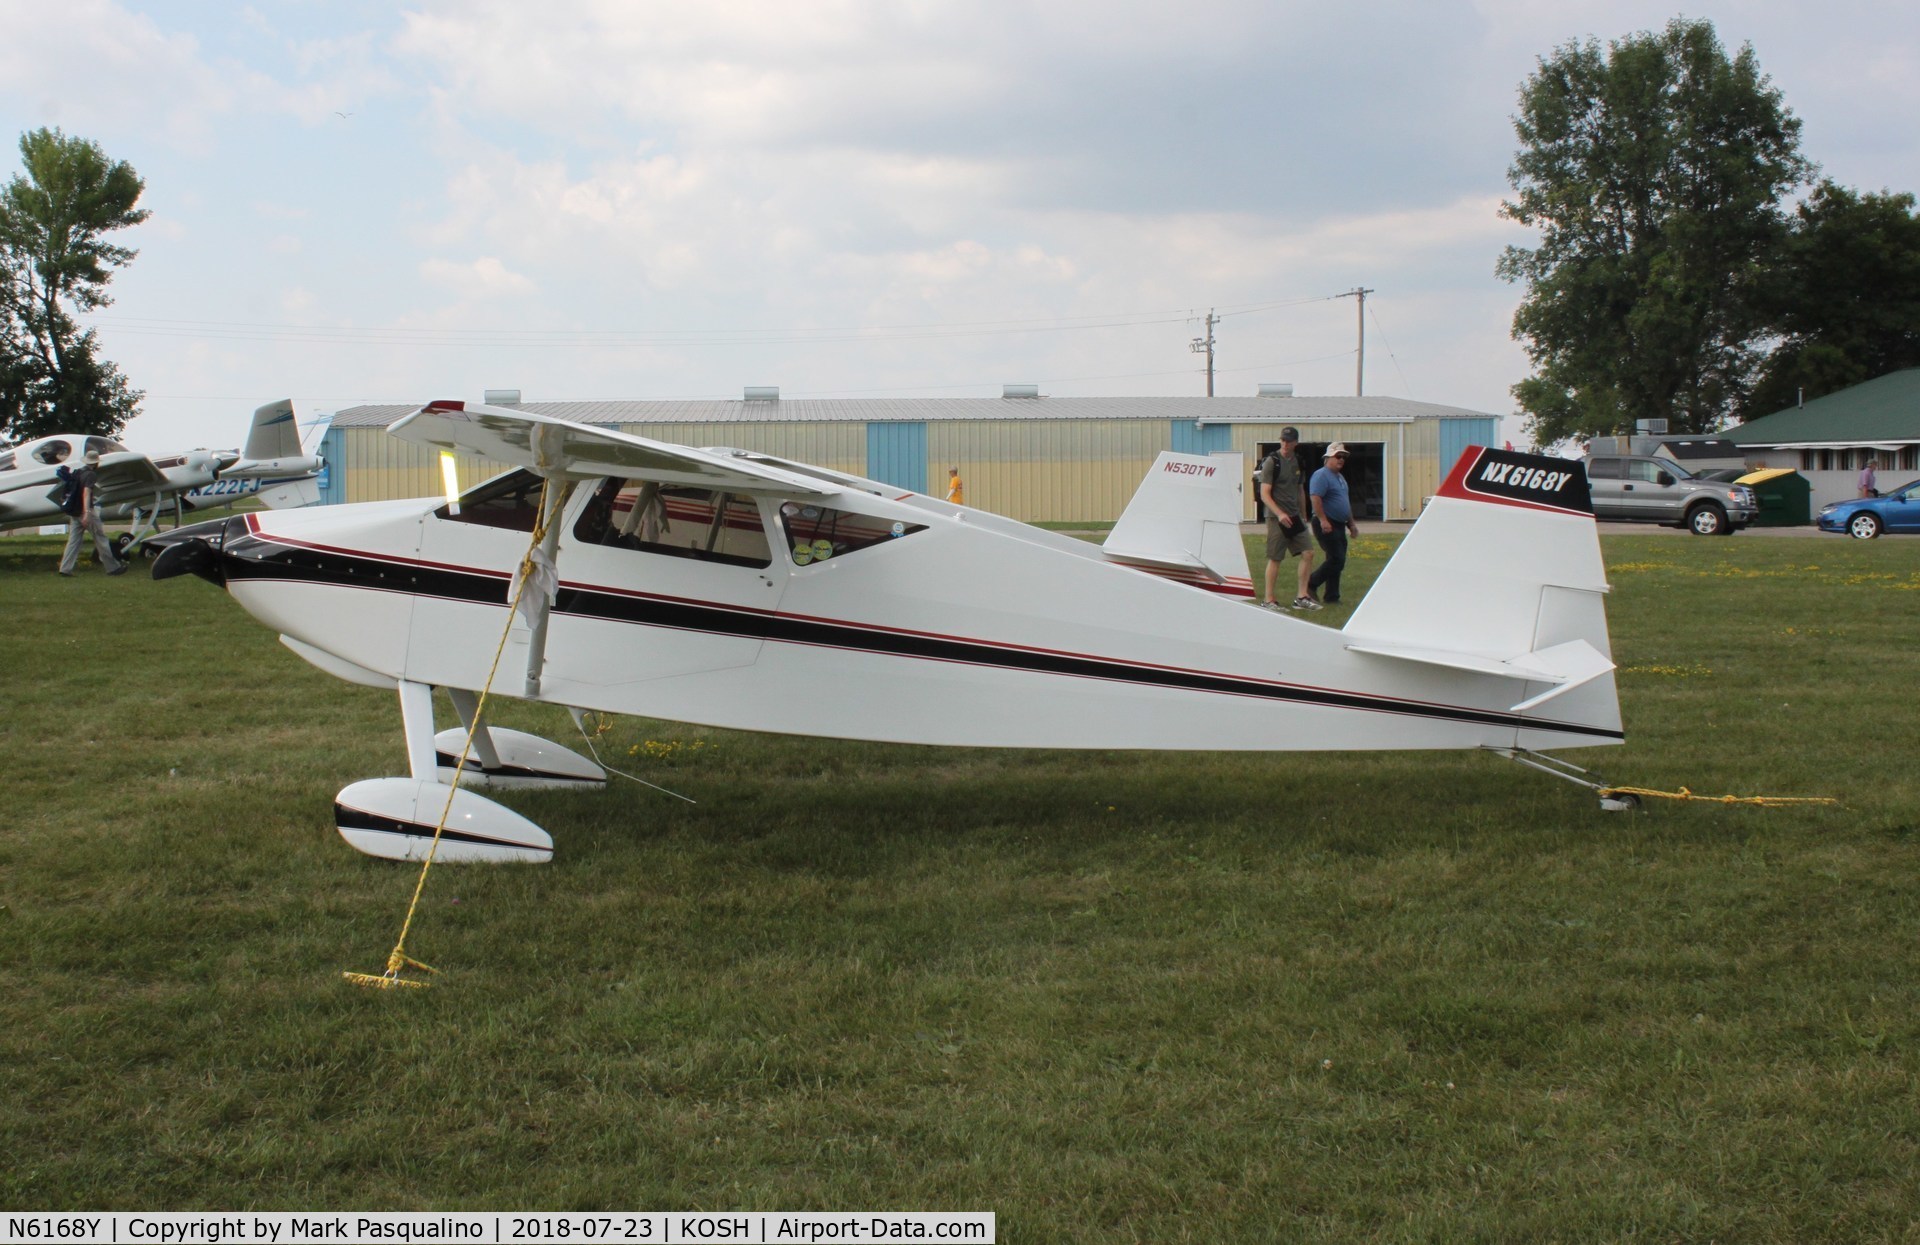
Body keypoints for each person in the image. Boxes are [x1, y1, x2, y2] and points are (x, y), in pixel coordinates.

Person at [1257, 426, 1316, 611]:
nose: (1285, 444)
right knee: (1276, 557)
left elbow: (1299, 489)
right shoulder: (1272, 462)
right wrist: (1280, 514)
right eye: (1282, 440)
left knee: (1308, 553)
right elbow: (1264, 494)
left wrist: (1303, 513)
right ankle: (1268, 600)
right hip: (1276, 517)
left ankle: (1301, 597)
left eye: (1289, 441)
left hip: (1294, 515)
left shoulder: (1298, 462)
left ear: (1295, 443)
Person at [58, 449, 128, 577]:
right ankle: (112, 568)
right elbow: (87, 493)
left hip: (74, 511)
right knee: (101, 539)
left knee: (73, 541)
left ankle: (65, 568)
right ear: (96, 463)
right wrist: (87, 512)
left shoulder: (78, 472)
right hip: (85, 511)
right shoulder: (90, 475)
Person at [1306, 443, 1359, 606]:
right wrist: (1323, 520)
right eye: (1338, 456)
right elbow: (1315, 498)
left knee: (1337, 561)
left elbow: (1344, 502)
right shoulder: (1321, 475)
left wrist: (1351, 524)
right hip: (1326, 522)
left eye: (1343, 457)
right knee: (1337, 558)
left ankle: (1332, 596)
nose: (1341, 459)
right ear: (1328, 458)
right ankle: (1311, 584)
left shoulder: (1340, 478)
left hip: (1339, 523)